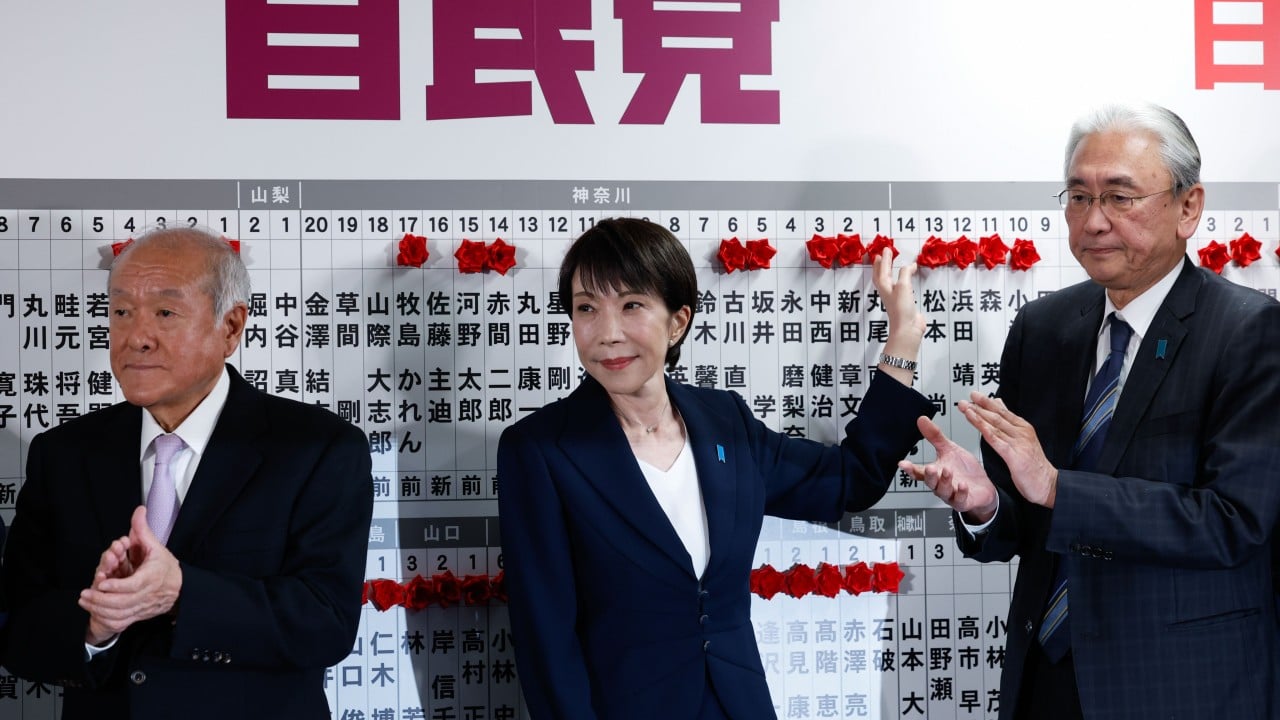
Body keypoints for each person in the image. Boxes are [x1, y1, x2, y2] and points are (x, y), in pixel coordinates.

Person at [900, 103, 1280, 719]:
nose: (1094, 221)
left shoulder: (1249, 332)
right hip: (1047, 680)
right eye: (1078, 197)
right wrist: (986, 506)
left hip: (1181, 686)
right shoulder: (1043, 327)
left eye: (1120, 198)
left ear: (1188, 207)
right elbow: (1028, 521)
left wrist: (1057, 487)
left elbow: (1234, 522)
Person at [496, 217, 936, 719]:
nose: (608, 333)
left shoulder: (725, 421)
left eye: (631, 305)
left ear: (678, 321)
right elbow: (546, 646)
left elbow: (849, 480)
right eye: (586, 308)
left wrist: (903, 340)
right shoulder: (541, 450)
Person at [1, 227, 374, 719]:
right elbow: (17, 627)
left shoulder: (318, 449)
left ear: (231, 327)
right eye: (121, 312)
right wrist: (94, 627)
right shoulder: (64, 454)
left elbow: (326, 623)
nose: (137, 337)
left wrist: (180, 593)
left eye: (165, 313)